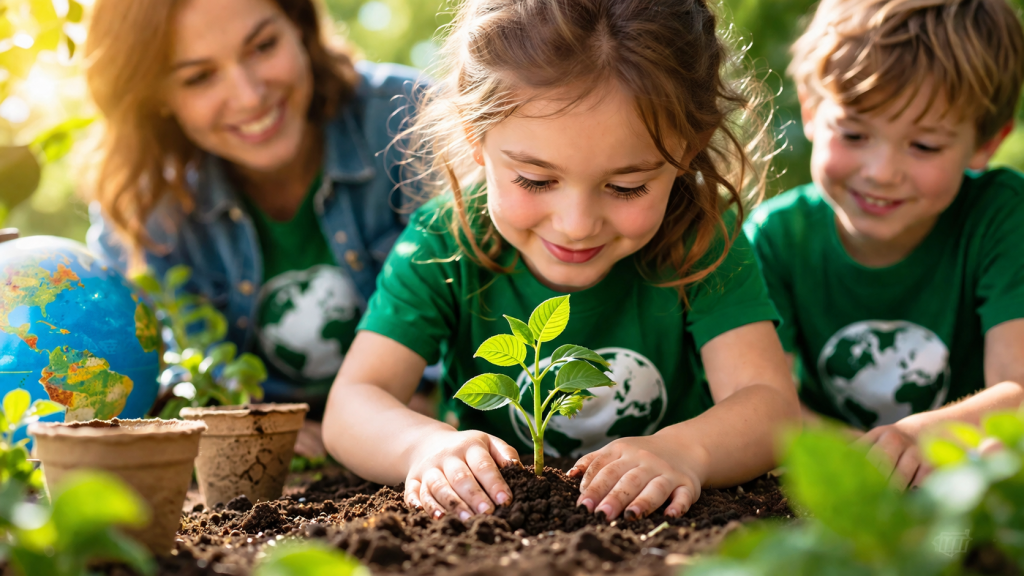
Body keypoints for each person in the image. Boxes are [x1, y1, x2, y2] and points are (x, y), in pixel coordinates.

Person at [322, 0, 800, 523]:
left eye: (626, 186)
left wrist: (687, 451)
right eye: (535, 180)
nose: (576, 224)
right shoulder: (445, 243)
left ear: (690, 148)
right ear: (474, 135)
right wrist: (422, 446)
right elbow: (354, 403)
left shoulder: (700, 236)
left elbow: (770, 407)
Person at [82, 0, 427, 455]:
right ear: (155, 97)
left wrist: (372, 428)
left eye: (263, 46)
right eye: (199, 77)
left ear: (300, 26)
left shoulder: (412, 122)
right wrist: (244, 430)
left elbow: (483, 306)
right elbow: (158, 378)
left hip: (423, 438)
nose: (248, 95)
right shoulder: (144, 206)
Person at [745, 0, 1024, 488]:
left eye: (924, 146)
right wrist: (867, 460)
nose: (881, 172)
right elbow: (761, 405)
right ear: (811, 113)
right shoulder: (776, 238)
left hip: (968, 482)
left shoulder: (1003, 218)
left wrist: (921, 435)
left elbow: (1017, 391)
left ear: (984, 145)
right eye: (854, 133)